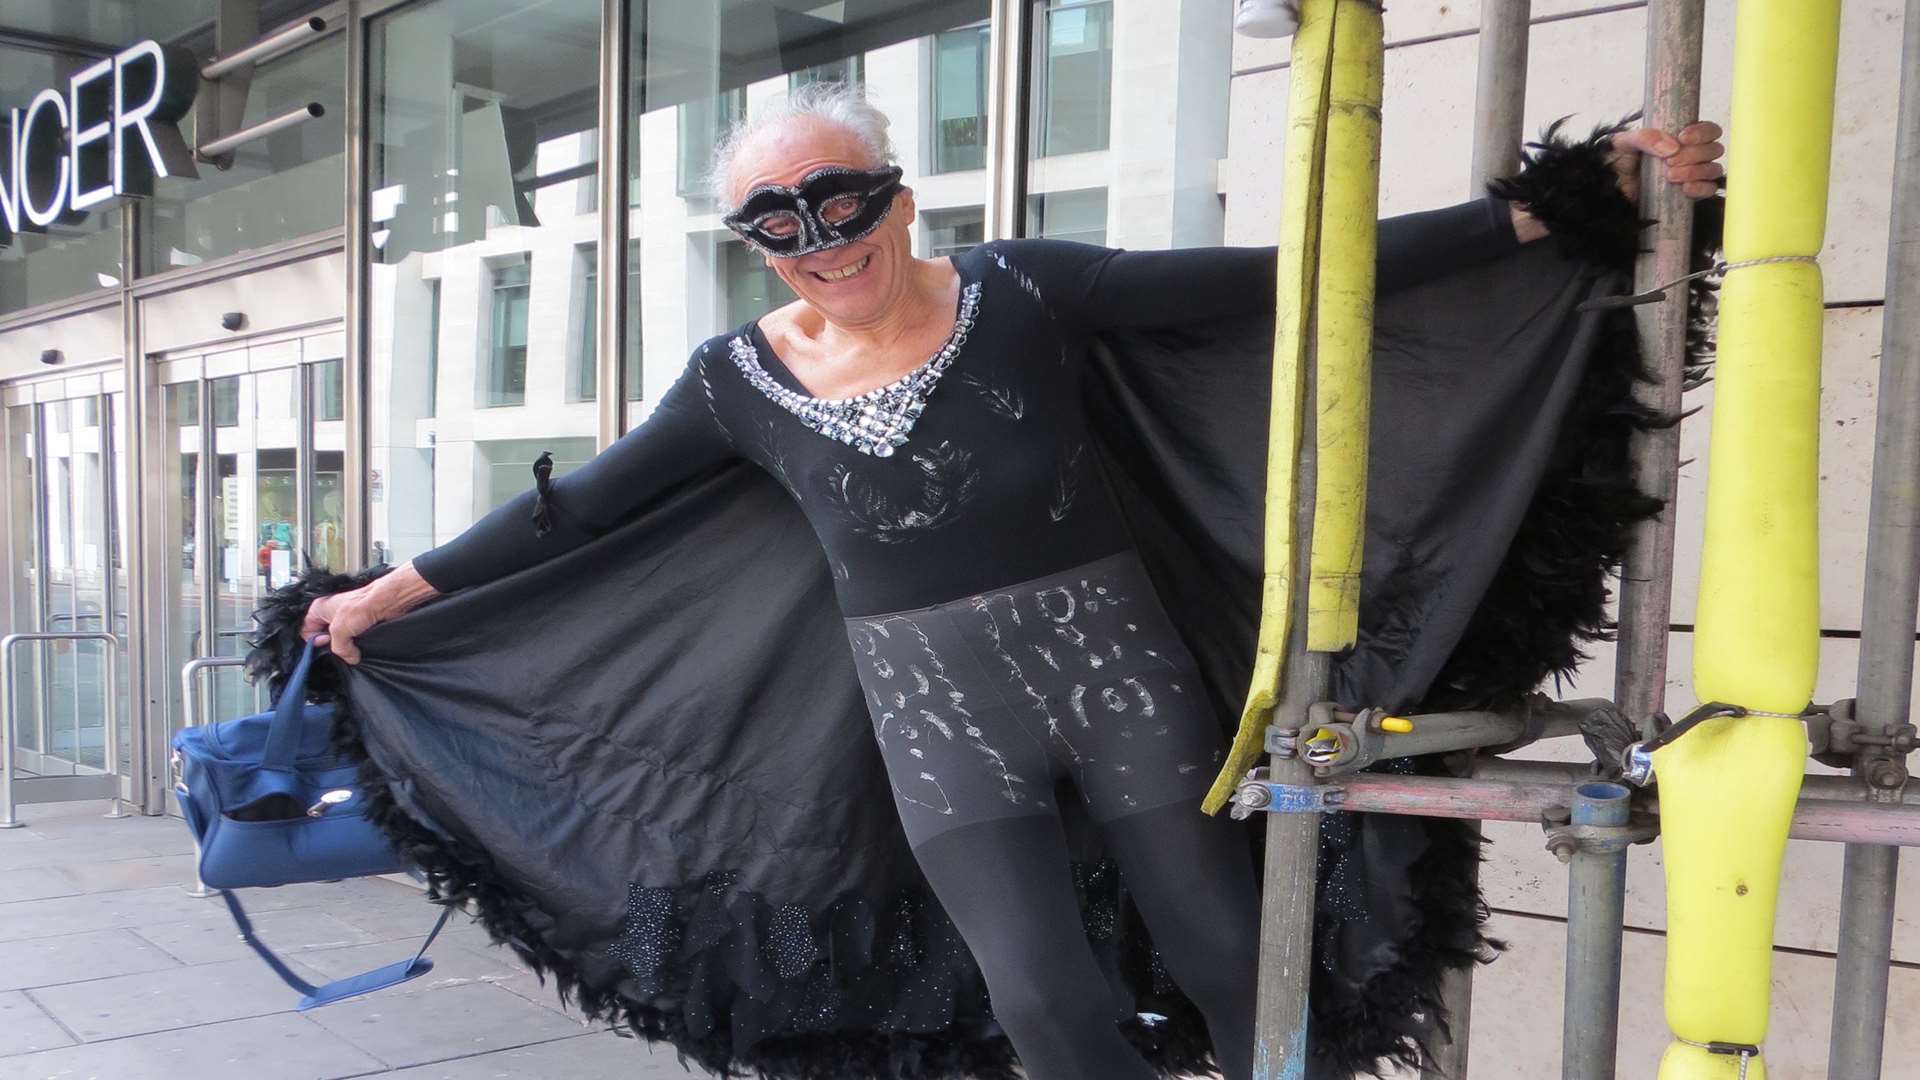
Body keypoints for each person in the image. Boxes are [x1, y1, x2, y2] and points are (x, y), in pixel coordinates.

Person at [289, 84, 1722, 1080]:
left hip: (1123, 683)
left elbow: (1293, 286)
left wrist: (1547, 214)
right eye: (775, 223)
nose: (819, 240)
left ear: (897, 198)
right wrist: (388, 597)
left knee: (1233, 958)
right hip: (939, 723)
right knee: (1042, 999)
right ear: (754, 248)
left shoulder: (1031, 291)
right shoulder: (733, 384)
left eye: (837, 198)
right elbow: (576, 513)